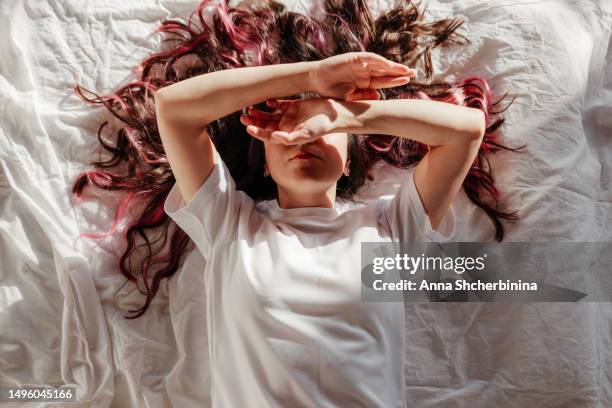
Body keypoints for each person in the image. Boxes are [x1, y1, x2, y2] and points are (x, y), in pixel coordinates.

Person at [155, 51, 483, 407]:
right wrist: (311, 77)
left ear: (347, 163)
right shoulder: (230, 224)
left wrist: (344, 115)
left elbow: (466, 130)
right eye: (286, 128)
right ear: (265, 165)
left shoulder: (389, 230)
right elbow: (173, 108)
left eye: (322, 129)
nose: (303, 136)